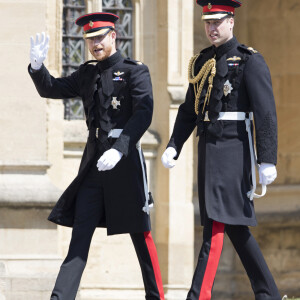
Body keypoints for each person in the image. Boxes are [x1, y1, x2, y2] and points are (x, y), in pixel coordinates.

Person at [29, 12, 164, 300]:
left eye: (100, 37)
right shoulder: (87, 73)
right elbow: (51, 88)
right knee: (79, 236)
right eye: (90, 39)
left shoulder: (134, 71)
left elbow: (143, 114)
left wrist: (120, 148)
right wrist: (37, 67)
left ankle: (156, 296)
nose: (95, 44)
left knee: (141, 234)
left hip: (124, 163)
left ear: (114, 36)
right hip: (94, 166)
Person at [161, 1, 281, 299]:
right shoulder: (201, 62)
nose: (211, 28)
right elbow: (189, 110)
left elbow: (265, 113)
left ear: (231, 21)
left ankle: (197, 295)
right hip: (208, 148)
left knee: (215, 224)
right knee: (236, 228)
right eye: (207, 22)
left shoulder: (250, 60)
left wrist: (267, 159)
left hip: (233, 149)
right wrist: (174, 144)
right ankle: (268, 294)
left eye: (217, 21)